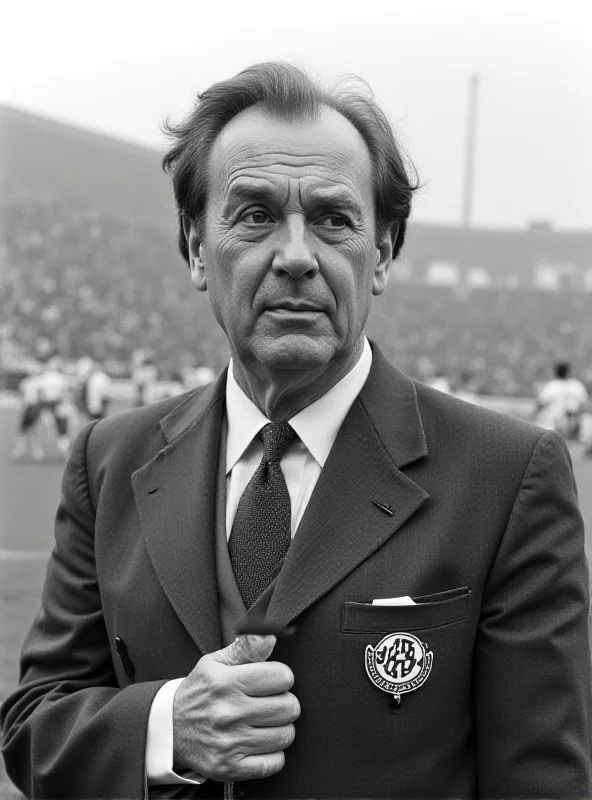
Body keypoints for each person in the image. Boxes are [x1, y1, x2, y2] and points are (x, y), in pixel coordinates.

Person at [2, 62, 591, 800]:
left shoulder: (507, 476)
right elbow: (33, 724)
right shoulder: (109, 458)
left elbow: (541, 781)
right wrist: (166, 727)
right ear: (194, 248)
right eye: (254, 215)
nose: (296, 257)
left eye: (333, 219)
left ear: (380, 254)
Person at [534, 361, 589, 437]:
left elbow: (540, 404)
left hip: (552, 426)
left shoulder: (551, 386)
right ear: (569, 372)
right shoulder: (577, 385)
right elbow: (584, 405)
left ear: (556, 372)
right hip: (572, 427)